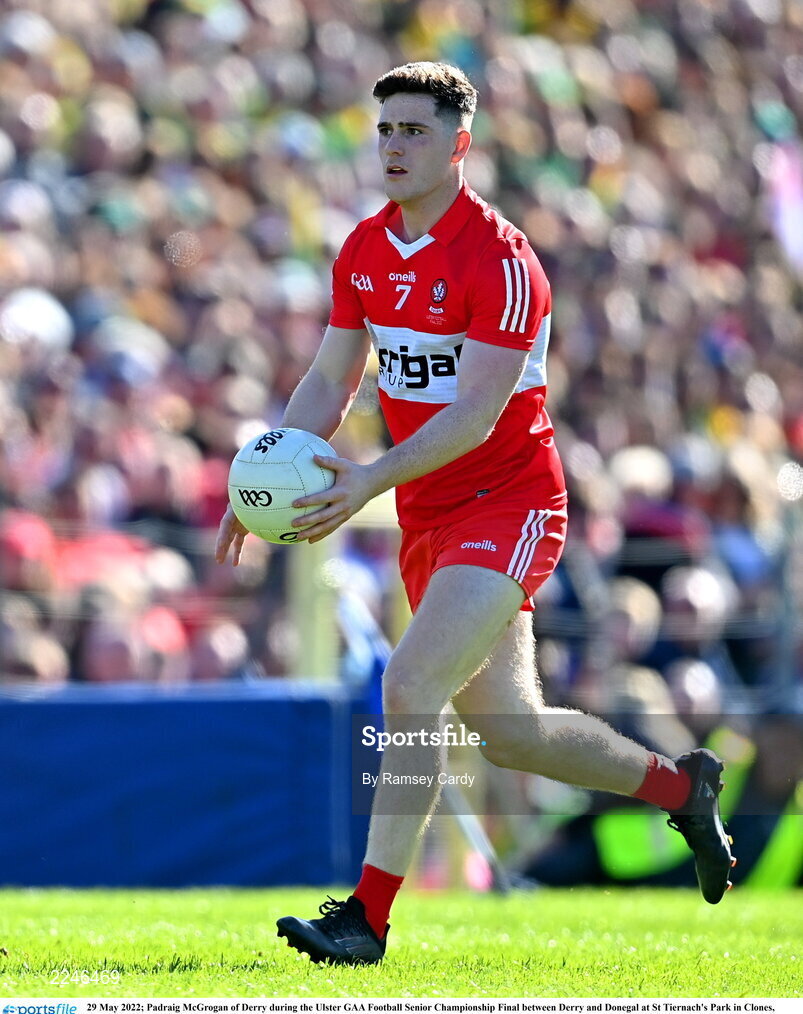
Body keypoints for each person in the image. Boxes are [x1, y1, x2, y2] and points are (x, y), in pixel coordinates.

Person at [215, 62, 735, 965]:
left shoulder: (501, 259)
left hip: (509, 499)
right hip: (428, 512)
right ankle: (679, 789)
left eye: (413, 130)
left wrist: (366, 479)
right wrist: (257, 488)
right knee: (511, 734)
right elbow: (331, 379)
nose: (393, 146)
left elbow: (476, 414)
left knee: (409, 687)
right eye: (384, 130)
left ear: (459, 144)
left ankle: (365, 920)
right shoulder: (364, 249)